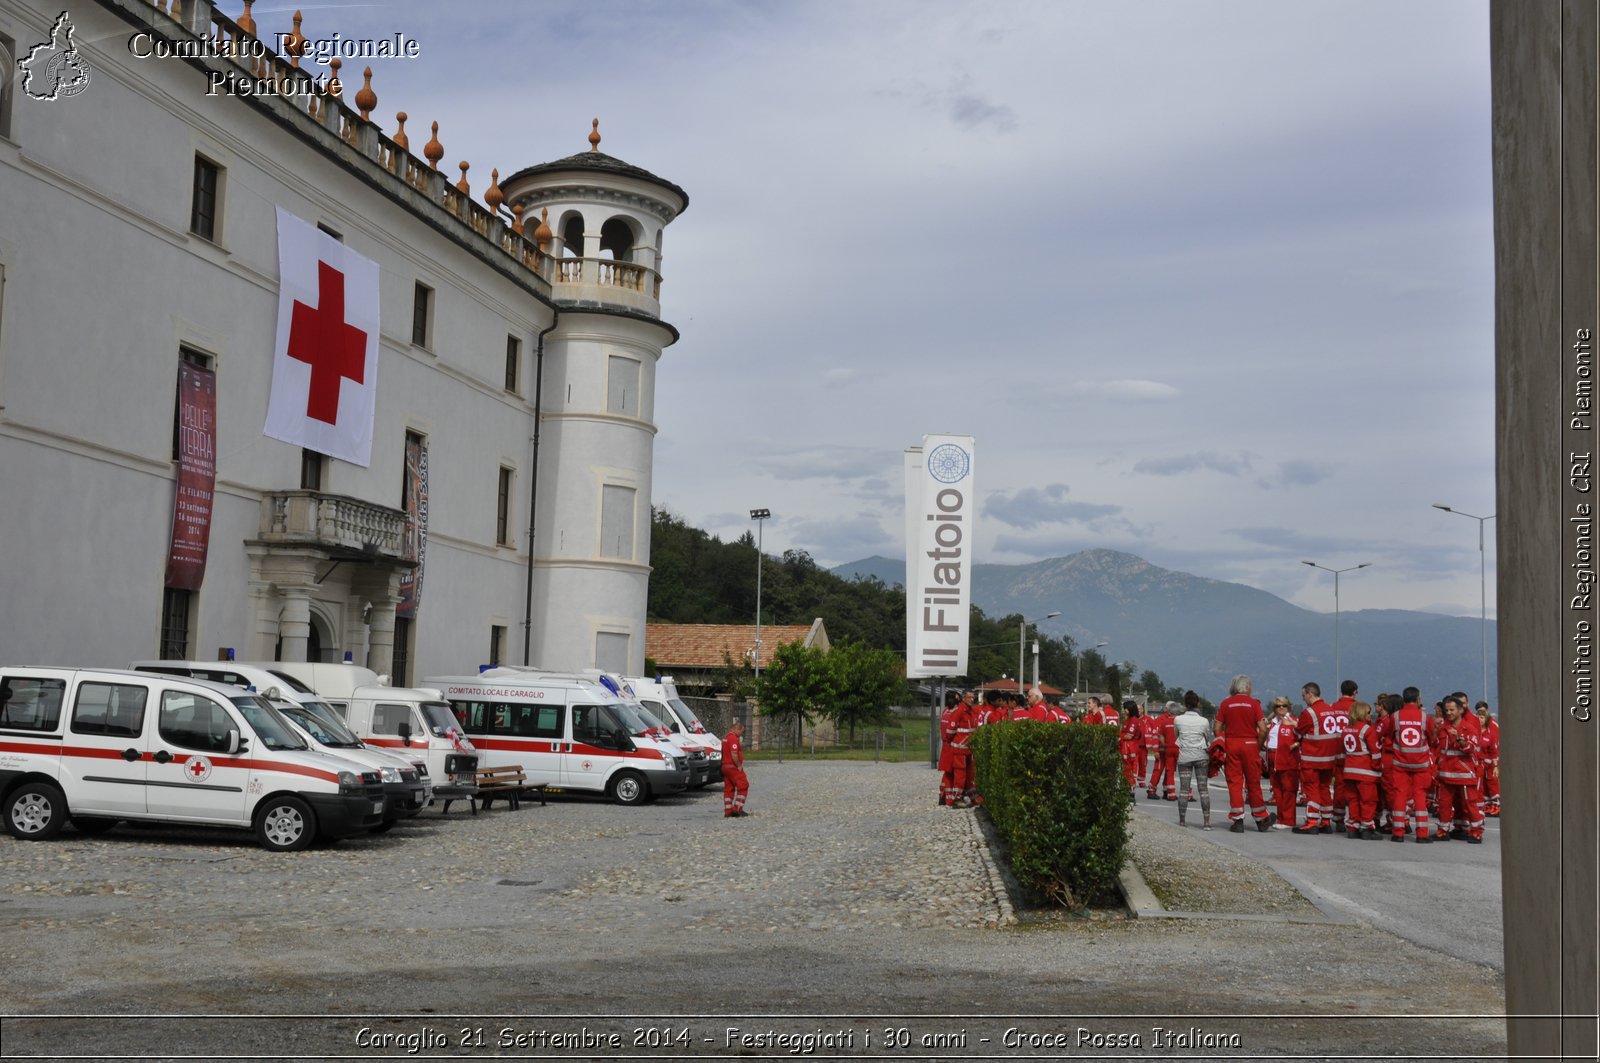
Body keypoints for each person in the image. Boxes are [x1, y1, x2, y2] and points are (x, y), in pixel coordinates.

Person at [1215, 674, 1274, 832]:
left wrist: (1222, 742)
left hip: (1232, 744)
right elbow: (1263, 729)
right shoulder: (1254, 704)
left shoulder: (1226, 703)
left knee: (1234, 782)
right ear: (1247, 688)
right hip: (1250, 745)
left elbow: (1217, 728)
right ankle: (1261, 818)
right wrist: (1257, 745)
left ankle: (1238, 820)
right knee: (1253, 783)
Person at [1377, 686, 1436, 842]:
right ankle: (1422, 834)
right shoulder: (1425, 717)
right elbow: (1432, 737)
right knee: (1420, 798)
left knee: (1399, 796)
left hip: (1400, 763)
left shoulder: (1395, 717)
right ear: (1418, 699)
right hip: (1421, 765)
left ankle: (1398, 833)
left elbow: (1388, 734)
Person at [1433, 695, 1483, 843]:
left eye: (1452, 710)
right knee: (1444, 804)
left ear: (1461, 710)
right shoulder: (1442, 728)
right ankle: (1443, 831)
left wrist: (1459, 738)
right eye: (1447, 710)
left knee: (1470, 805)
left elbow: (1471, 749)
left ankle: (1476, 833)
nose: (1449, 713)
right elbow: (1437, 747)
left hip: (1464, 774)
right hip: (1446, 774)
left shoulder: (1470, 728)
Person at [1293, 682, 1341, 835]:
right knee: (1325, 788)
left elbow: (1298, 733)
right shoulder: (1331, 710)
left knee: (1311, 788)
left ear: (1310, 694)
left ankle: (1312, 821)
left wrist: (1292, 724)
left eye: (1304, 696)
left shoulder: (1309, 712)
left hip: (1313, 757)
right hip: (1329, 758)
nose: (1303, 699)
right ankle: (1326, 821)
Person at [1341, 701, 1382, 839]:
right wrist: (1377, 768)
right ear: (1362, 713)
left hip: (1349, 770)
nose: (1371, 715)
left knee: (1353, 800)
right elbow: (1375, 752)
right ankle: (1366, 828)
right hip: (1365, 771)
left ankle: (1353, 827)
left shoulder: (1346, 729)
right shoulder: (1367, 729)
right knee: (1368, 800)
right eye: (1368, 712)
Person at [1173, 692, 1214, 829]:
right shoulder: (1204, 721)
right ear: (1198, 703)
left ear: (1185, 704)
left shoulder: (1178, 719)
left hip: (1184, 757)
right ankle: (1207, 822)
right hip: (1201, 756)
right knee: (1203, 790)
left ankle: (1182, 821)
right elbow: (1207, 737)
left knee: (1184, 789)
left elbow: (1176, 735)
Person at [1327, 680, 1357, 833]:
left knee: (1338, 787)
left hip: (1335, 751)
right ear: (1355, 692)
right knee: (1353, 789)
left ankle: (1338, 818)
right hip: (1352, 753)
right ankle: (1354, 819)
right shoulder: (1357, 708)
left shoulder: (1333, 707)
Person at [1265, 697, 1299, 829]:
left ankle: (1288, 820)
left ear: (1288, 707)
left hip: (1288, 759)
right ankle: (1280, 818)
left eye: (1284, 705)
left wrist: (1294, 744)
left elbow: (1303, 735)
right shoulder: (1272, 723)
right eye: (1278, 706)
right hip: (1273, 758)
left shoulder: (1294, 721)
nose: (1281, 708)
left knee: (1289, 790)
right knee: (1277, 790)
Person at [1149, 701, 1180, 800]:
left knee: (1169, 771)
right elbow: (1155, 735)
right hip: (1161, 751)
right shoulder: (1159, 720)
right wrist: (1156, 750)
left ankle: (1166, 790)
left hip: (1167, 750)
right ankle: (1151, 790)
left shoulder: (1172, 720)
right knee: (1158, 770)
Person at [1476, 701, 1500, 816]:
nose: (1480, 719)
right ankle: (1487, 804)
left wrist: (1495, 765)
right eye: (1478, 717)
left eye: (1482, 717)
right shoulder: (1475, 732)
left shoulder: (1491, 732)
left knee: (1492, 783)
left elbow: (1494, 750)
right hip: (1480, 764)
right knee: (1483, 785)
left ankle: (1496, 805)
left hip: (1490, 764)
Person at [722, 718, 749, 818]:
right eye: (742, 731)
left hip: (725, 766)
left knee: (729, 789)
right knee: (743, 785)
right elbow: (734, 754)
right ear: (737, 729)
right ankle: (737, 809)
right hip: (732, 767)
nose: (741, 734)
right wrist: (738, 765)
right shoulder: (733, 738)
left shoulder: (725, 737)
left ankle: (728, 811)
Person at [1119, 704, 1145, 791]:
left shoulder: (1133, 720)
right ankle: (1127, 787)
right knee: (1126, 770)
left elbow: (1129, 736)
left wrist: (1119, 736)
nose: (1123, 711)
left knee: (1130, 769)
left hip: (1131, 749)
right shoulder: (1128, 720)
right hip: (1126, 749)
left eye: (1125, 709)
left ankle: (1130, 789)